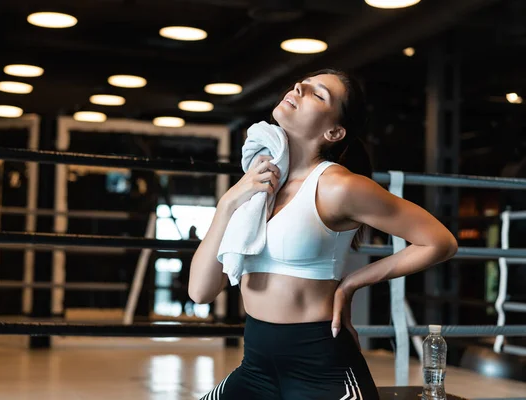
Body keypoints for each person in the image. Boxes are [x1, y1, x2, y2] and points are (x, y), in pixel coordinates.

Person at [189, 68, 458, 400]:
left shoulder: (338, 186)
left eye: (318, 94)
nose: (299, 87)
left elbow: (440, 241)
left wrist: (351, 284)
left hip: (321, 371)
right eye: (302, 84)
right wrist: (229, 202)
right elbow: (200, 292)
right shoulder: (258, 186)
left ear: (334, 132)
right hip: (256, 367)